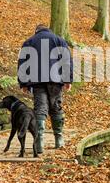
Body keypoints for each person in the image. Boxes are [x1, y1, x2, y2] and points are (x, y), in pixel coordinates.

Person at [17, 24, 73, 154]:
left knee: (40, 108)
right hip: (56, 79)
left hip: (37, 80)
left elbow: (23, 63)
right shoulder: (59, 40)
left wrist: (23, 82)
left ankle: (39, 142)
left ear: (36, 31)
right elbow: (66, 60)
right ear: (48, 30)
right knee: (56, 106)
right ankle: (59, 139)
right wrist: (67, 79)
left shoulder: (29, 42)